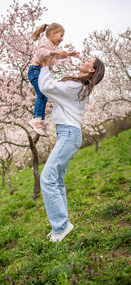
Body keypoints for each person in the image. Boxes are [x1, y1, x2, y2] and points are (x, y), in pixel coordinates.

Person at [38, 56, 105, 242]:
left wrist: (44, 66)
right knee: (56, 180)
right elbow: (52, 91)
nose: (83, 61)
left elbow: (46, 88)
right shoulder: (79, 86)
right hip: (68, 134)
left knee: (47, 178)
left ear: (92, 70)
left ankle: (61, 226)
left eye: (88, 61)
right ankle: (62, 224)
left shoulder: (77, 87)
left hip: (68, 135)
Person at [28, 23, 79, 137]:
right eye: (61, 35)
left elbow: (57, 56)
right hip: (35, 70)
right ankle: (36, 120)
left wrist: (69, 53)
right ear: (52, 33)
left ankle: (39, 120)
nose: (62, 39)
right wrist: (55, 52)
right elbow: (41, 53)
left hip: (41, 72)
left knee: (44, 94)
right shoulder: (44, 41)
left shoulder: (54, 47)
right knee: (41, 94)